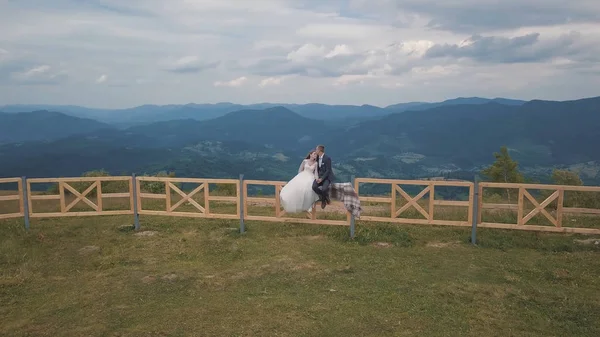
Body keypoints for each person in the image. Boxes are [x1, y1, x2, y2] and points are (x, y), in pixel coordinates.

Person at [312, 144, 335, 209]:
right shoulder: (317, 158)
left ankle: (323, 201)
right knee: (314, 187)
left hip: (326, 177)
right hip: (319, 177)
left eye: (316, 149)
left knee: (324, 189)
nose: (315, 150)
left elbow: (328, 170)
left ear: (319, 150)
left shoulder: (327, 158)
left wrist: (322, 179)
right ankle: (324, 196)